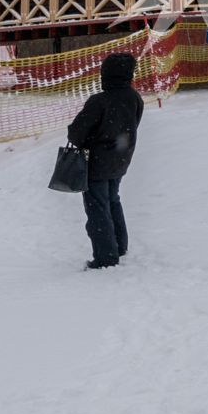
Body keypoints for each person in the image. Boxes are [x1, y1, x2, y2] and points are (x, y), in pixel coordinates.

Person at [65, 51, 142, 269]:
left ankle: (106, 255)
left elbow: (76, 132)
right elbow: (131, 124)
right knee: (113, 200)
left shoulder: (100, 101)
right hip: (120, 159)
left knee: (98, 207)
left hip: (97, 163)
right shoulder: (133, 97)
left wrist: (87, 139)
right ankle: (119, 245)